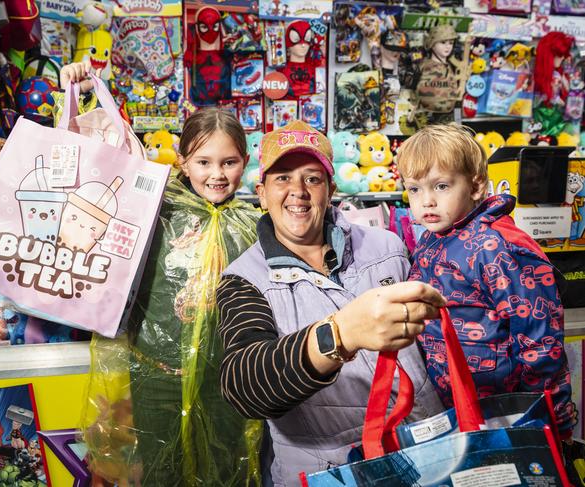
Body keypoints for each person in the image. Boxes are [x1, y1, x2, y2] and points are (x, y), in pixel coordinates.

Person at [59, 61, 262, 486]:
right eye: (204, 162)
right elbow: (90, 164)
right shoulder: (156, 202)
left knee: (228, 464)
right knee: (159, 467)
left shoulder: (254, 220)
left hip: (228, 375)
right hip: (156, 371)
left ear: (245, 162)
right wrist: (79, 93)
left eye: (229, 162)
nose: (217, 174)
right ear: (183, 162)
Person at [217, 120, 447, 486]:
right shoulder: (243, 280)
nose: (298, 191)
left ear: (331, 189)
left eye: (312, 178)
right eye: (282, 179)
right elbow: (243, 385)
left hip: (427, 452)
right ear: (261, 193)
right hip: (329, 472)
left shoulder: (386, 246)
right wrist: (337, 335)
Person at [397, 123, 576, 437]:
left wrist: (551, 419)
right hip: (455, 408)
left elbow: (540, 340)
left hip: (508, 414)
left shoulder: (496, 246)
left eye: (441, 186)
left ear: (477, 186)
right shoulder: (430, 240)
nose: (426, 201)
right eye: (415, 188)